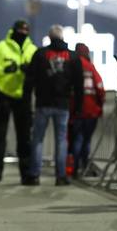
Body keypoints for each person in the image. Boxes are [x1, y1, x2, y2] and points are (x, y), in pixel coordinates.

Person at [24, 24, 83, 186]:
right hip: (63, 104)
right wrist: (78, 106)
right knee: (61, 140)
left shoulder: (40, 54)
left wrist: (27, 101)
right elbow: (79, 84)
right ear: (62, 37)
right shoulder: (73, 56)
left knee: (38, 139)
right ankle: (61, 176)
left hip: (43, 103)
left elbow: (29, 80)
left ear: (49, 37)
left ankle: (34, 175)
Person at [0, 20, 37, 184]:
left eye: (25, 31)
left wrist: (29, 70)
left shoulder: (32, 49)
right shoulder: (2, 47)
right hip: (3, 95)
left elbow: (39, 72)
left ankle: (25, 173)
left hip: (23, 96)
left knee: (24, 137)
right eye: (20, 31)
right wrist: (5, 70)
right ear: (14, 31)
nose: (23, 34)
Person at [70, 43, 105, 178]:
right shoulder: (91, 67)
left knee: (77, 138)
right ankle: (84, 167)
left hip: (76, 109)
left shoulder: (72, 66)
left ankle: (74, 168)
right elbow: (100, 87)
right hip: (91, 110)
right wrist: (100, 103)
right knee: (86, 140)